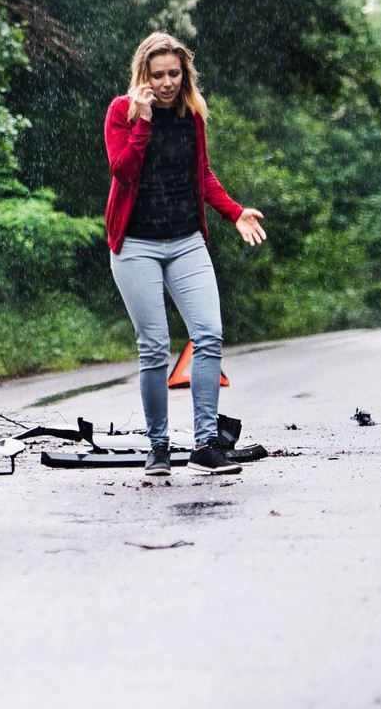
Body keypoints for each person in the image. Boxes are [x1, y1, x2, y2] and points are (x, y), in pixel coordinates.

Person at [103, 32, 267, 476]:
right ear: (143, 76)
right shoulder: (122, 111)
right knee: (154, 348)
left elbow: (203, 174)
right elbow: (123, 170)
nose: (167, 82)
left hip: (186, 240)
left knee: (209, 333)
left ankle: (205, 443)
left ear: (184, 73)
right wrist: (142, 121)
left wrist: (233, 213)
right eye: (158, 75)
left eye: (174, 73)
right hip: (136, 245)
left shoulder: (191, 114)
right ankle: (157, 447)